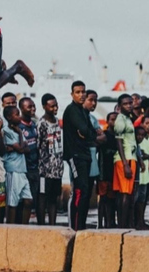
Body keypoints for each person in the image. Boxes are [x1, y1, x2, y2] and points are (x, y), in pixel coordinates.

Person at [63, 81, 96, 231]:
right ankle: (75, 228)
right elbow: (85, 130)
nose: (81, 95)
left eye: (83, 92)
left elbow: (90, 131)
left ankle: (81, 226)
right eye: (78, 92)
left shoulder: (83, 111)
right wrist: (89, 134)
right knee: (79, 190)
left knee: (86, 192)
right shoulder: (72, 110)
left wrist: (88, 134)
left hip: (85, 154)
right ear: (72, 94)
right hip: (75, 155)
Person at [36, 93, 63, 226]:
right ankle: (41, 225)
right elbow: (38, 145)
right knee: (43, 197)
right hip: (44, 169)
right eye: (51, 106)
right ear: (44, 106)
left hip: (57, 168)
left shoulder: (58, 121)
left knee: (54, 198)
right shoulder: (41, 123)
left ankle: (52, 224)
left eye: (56, 105)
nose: (55, 108)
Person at [3, 106, 33, 224]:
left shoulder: (16, 129)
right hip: (13, 170)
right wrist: (20, 133)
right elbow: (21, 149)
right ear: (9, 117)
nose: (19, 116)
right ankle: (10, 229)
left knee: (28, 201)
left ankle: (24, 227)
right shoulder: (7, 131)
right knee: (12, 204)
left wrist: (18, 147)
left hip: (22, 170)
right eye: (17, 114)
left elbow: (27, 149)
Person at [113, 94, 137, 228]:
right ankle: (122, 225)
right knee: (125, 193)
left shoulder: (128, 118)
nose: (129, 106)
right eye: (126, 104)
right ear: (120, 106)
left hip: (130, 157)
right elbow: (119, 140)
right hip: (125, 158)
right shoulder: (120, 119)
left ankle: (124, 223)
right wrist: (125, 164)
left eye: (130, 103)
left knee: (127, 193)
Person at [83, 90, 106, 224]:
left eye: (95, 100)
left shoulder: (93, 119)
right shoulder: (79, 117)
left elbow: (103, 137)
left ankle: (84, 222)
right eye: (90, 100)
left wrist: (93, 139)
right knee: (80, 194)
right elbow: (84, 139)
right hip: (82, 159)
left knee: (88, 194)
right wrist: (95, 138)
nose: (94, 103)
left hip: (93, 160)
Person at [18, 97, 39, 217]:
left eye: (33, 106)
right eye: (29, 107)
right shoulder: (19, 127)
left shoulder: (34, 125)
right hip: (24, 169)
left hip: (35, 167)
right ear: (21, 108)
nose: (33, 109)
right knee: (24, 201)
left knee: (32, 200)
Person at [98, 112, 118, 228]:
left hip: (114, 172)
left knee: (112, 199)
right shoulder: (104, 136)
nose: (114, 122)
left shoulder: (119, 137)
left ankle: (110, 222)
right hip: (103, 171)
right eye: (112, 119)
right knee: (103, 199)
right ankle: (100, 223)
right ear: (107, 121)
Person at [136, 125, 149, 229]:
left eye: (142, 135)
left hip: (145, 175)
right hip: (137, 176)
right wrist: (144, 156)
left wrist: (145, 156)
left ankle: (141, 221)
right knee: (136, 199)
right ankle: (135, 222)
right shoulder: (134, 145)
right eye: (138, 135)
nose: (140, 137)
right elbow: (144, 155)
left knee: (142, 199)